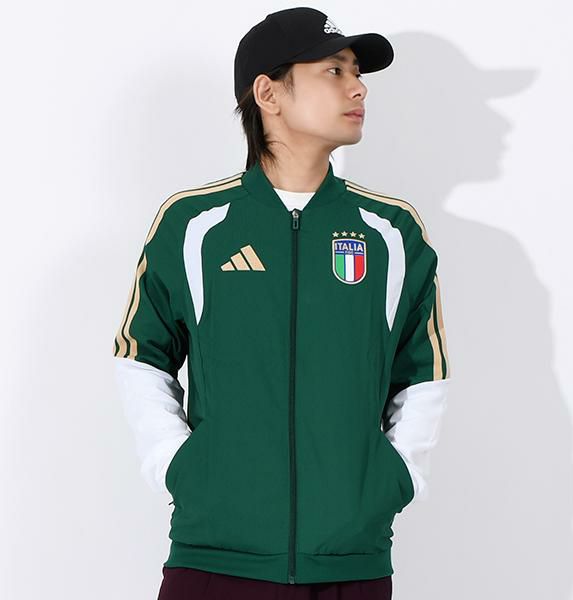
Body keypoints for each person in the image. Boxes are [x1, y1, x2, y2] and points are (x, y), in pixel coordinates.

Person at [112, 7, 451, 600]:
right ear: (267, 93)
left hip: (349, 563)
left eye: (357, 72)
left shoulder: (392, 232)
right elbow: (141, 354)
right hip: (214, 560)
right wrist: (177, 465)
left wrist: (396, 477)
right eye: (334, 70)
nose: (358, 88)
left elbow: (423, 371)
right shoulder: (194, 224)